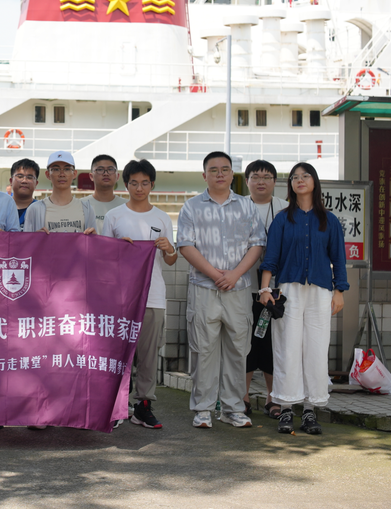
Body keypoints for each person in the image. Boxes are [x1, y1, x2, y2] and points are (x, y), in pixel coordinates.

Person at [176, 151, 264, 430]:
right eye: (213, 170)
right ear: (205, 175)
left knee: (238, 349)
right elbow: (185, 245)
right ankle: (203, 409)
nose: (220, 174)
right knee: (203, 349)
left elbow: (257, 244)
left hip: (239, 289)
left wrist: (235, 274)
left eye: (225, 169)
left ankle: (233, 408)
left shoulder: (247, 206)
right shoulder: (191, 207)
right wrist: (215, 275)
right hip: (204, 288)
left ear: (231, 174)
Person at [260, 163, 348, 436]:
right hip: (289, 291)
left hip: (321, 291)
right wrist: (265, 289)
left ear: (314, 182)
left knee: (316, 349)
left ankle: (310, 409)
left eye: (305, 175)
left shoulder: (330, 220)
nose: (300, 180)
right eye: (295, 177)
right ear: (291, 185)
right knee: (287, 348)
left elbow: (339, 258)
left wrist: (339, 291)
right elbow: (271, 258)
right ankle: (286, 407)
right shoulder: (282, 219)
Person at [102, 159, 177, 429]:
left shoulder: (161, 217)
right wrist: (117, 248)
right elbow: (103, 258)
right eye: (134, 183)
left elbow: (171, 260)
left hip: (153, 295)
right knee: (119, 354)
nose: (139, 188)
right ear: (126, 185)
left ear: (152, 185)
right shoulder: (114, 216)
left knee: (148, 355)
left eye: (145, 183)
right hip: (121, 298)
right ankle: (116, 405)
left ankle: (143, 406)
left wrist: (169, 248)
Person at [243, 159, 288, 420]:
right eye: (256, 177)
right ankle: (243, 396)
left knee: (273, 344)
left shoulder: (285, 208)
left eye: (267, 177)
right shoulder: (238, 207)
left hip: (276, 289)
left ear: (275, 181)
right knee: (246, 343)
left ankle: (274, 398)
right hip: (243, 286)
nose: (261, 182)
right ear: (246, 180)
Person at [23, 152, 96, 234]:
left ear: (74, 174)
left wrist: (94, 238)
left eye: (67, 169)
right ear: (48, 174)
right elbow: (26, 241)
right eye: (56, 169)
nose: (62, 174)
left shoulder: (87, 209)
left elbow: (93, 241)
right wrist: (35, 238)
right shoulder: (34, 209)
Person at [82, 155, 126, 235]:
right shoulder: (81, 204)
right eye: (100, 170)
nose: (106, 173)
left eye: (110, 169)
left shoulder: (127, 206)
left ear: (117, 176)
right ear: (91, 176)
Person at [9, 158, 40, 228]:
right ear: (11, 181)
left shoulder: (42, 210)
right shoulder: (1, 208)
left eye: (29, 177)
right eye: (20, 177)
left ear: (36, 183)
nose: (24, 181)